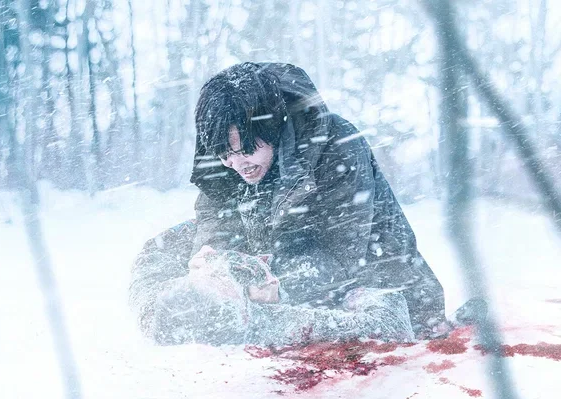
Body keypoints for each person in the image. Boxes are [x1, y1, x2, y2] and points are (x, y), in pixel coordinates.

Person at [129, 62, 450, 346]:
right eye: (226, 155)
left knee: (367, 312)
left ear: (272, 129)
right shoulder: (226, 150)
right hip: (269, 258)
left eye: (246, 151)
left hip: (363, 278)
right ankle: (174, 321)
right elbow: (218, 213)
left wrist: (276, 287)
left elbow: (340, 256)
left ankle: (240, 322)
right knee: (161, 250)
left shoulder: (338, 147)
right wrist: (215, 262)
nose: (237, 164)